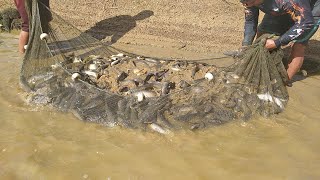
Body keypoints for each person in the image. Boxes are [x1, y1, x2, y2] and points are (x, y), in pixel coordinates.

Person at [238, 0, 320, 81]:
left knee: (298, 45)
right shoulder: (248, 1)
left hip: (311, 10)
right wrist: (246, 45)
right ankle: (259, 68)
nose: (247, 3)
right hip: (283, 6)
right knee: (263, 32)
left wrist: (277, 42)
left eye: (251, 1)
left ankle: (284, 82)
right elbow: (250, 21)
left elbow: (306, 23)